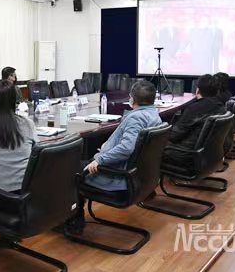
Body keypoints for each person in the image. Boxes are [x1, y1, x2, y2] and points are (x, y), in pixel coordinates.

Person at [66, 81, 161, 232]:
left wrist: (100, 159)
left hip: (118, 176)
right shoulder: (154, 115)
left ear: (132, 99)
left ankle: (74, 220)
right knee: (83, 160)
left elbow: (126, 148)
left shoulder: (136, 118)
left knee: (69, 170)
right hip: (138, 175)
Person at [162, 74, 226, 169]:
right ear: (217, 91)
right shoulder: (221, 107)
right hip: (207, 154)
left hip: (185, 154)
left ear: (197, 90)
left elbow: (174, 136)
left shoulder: (195, 109)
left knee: (149, 146)